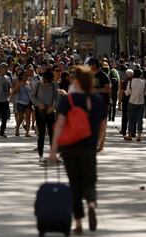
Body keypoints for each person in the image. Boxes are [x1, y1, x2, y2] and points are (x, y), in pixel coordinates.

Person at [50, 66, 107, 233]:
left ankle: (79, 223)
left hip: (69, 148)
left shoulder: (69, 100)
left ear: (76, 81)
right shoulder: (97, 100)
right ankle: (90, 202)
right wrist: (99, 143)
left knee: (74, 184)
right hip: (89, 148)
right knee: (89, 179)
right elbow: (103, 126)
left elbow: (59, 125)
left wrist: (53, 151)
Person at [31, 69, 59, 162]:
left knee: (52, 133)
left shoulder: (54, 86)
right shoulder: (38, 85)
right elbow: (32, 96)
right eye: (45, 81)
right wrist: (38, 104)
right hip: (40, 111)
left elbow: (57, 99)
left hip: (50, 111)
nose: (46, 83)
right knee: (41, 134)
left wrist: (53, 107)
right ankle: (41, 155)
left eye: (48, 82)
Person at [87, 58, 111, 152]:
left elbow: (108, 88)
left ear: (95, 65)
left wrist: (96, 90)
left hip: (103, 103)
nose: (89, 66)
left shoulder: (103, 75)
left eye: (90, 65)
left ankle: (101, 146)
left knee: (102, 125)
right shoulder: (88, 75)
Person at [124, 69, 146, 142]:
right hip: (141, 103)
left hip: (132, 102)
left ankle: (129, 135)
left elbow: (127, 93)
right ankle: (139, 136)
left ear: (134, 75)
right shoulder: (144, 83)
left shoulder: (131, 82)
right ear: (141, 75)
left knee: (131, 119)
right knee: (139, 120)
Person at [12, 71, 32, 137]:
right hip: (20, 102)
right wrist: (18, 86)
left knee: (28, 118)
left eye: (26, 75)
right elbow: (14, 92)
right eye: (24, 75)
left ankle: (27, 132)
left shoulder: (29, 83)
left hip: (28, 103)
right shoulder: (19, 83)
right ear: (21, 76)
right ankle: (17, 129)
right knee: (20, 118)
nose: (26, 77)